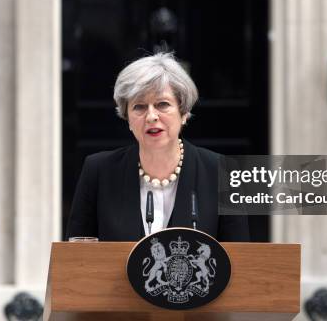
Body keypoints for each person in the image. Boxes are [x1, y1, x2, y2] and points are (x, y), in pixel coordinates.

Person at [66, 52, 249, 241]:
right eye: (139, 107)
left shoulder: (222, 172)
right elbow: (78, 257)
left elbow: (241, 261)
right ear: (127, 117)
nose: (151, 116)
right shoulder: (98, 171)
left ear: (184, 112)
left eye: (162, 104)